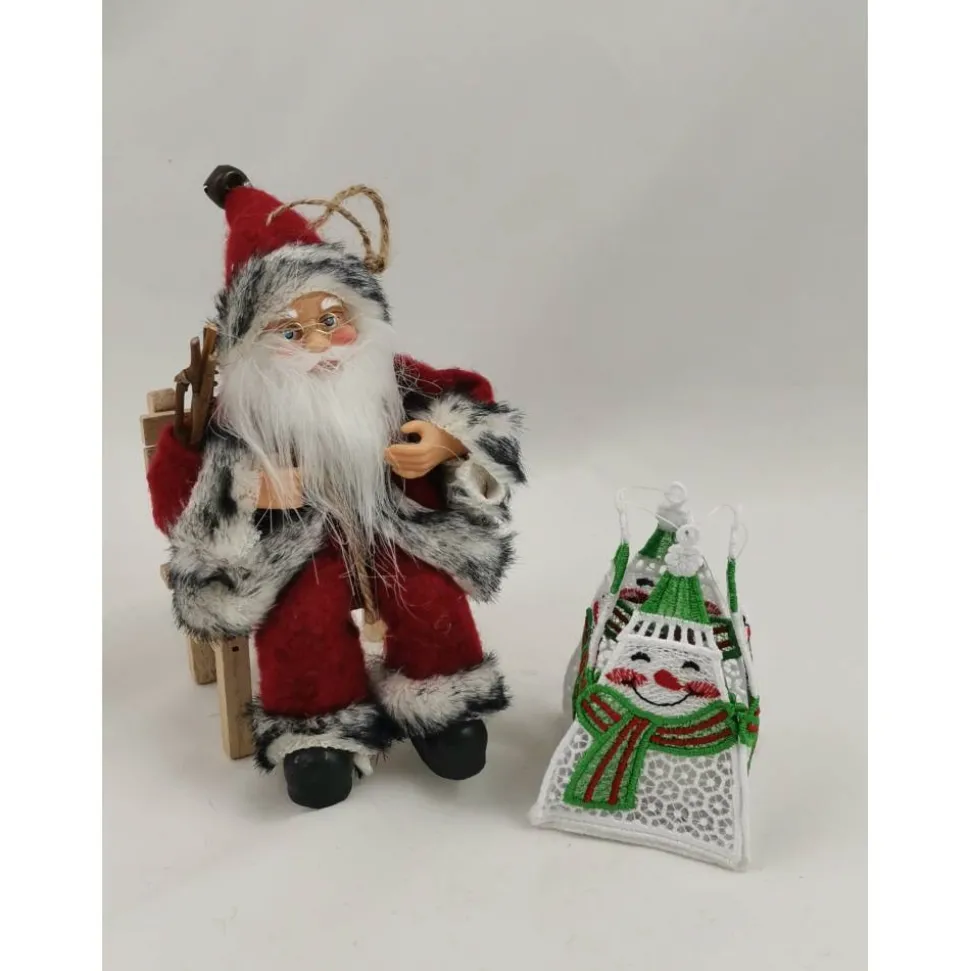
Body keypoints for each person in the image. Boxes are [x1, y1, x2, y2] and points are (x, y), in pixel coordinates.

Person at [147, 167, 525, 809]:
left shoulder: (392, 378)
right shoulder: (236, 417)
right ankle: (317, 733)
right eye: (290, 332)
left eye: (332, 319)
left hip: (393, 525)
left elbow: (471, 400)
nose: (320, 344)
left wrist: (445, 441)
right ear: (251, 344)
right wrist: (248, 490)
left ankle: (443, 702)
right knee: (302, 614)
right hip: (296, 548)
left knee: (427, 589)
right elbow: (176, 494)